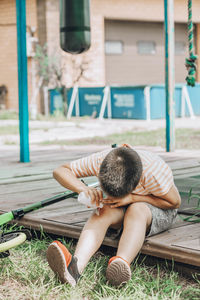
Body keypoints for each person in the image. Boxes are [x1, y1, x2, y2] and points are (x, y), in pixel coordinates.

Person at [46, 144, 181, 287]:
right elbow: (60, 171)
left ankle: (120, 262)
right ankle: (74, 269)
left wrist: (133, 198)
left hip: (158, 206)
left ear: (136, 184)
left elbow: (174, 202)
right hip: (122, 205)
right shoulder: (102, 160)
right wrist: (83, 189)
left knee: (136, 210)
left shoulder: (153, 173)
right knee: (103, 210)